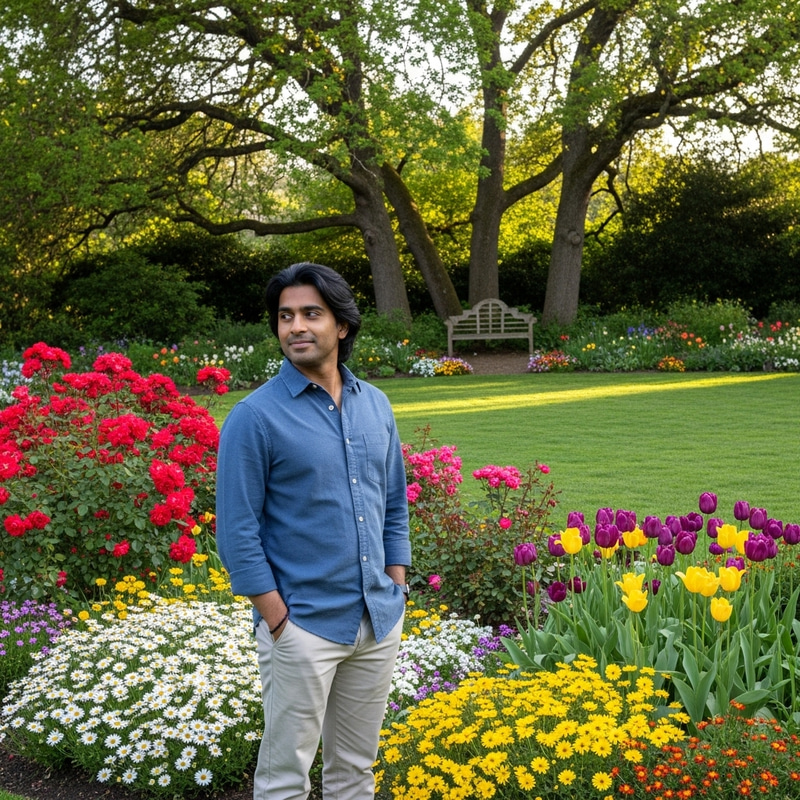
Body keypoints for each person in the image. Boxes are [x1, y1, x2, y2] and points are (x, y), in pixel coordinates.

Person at [216, 262, 411, 800]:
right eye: (285, 317)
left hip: (377, 620)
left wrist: (396, 584)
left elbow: (393, 504)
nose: (296, 327)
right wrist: (280, 623)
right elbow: (236, 533)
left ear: (341, 326)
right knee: (284, 781)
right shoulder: (254, 418)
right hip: (302, 628)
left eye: (310, 314)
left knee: (354, 773)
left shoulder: (376, 404)